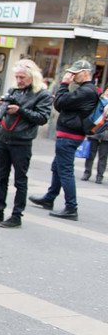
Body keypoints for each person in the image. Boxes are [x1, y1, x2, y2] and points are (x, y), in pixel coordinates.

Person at [0, 59, 52, 228]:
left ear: (32, 76)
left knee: (20, 180)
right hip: (5, 138)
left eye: (22, 77)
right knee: (1, 178)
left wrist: (20, 110)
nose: (19, 80)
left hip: (22, 141)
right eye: (17, 77)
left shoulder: (43, 94)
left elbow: (42, 118)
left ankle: (16, 215)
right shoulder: (14, 90)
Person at [29, 60, 100, 220]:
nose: (72, 76)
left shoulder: (86, 91)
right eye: (71, 73)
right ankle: (50, 197)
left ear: (86, 73)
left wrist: (64, 84)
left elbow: (59, 103)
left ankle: (71, 207)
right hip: (69, 134)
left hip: (70, 136)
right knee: (58, 167)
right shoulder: (85, 90)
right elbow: (61, 104)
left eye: (76, 73)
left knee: (65, 170)